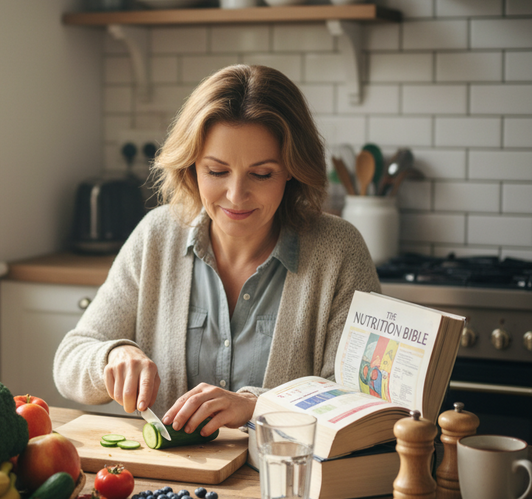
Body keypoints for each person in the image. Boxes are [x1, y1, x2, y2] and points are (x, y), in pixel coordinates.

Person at [54, 64, 380, 438]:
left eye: (262, 174)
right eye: (217, 171)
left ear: (291, 170)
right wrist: (112, 356)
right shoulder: (158, 235)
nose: (236, 196)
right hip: (171, 488)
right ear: (192, 166)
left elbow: (358, 400)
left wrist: (256, 407)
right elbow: (70, 359)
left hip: (284, 487)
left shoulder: (339, 251)